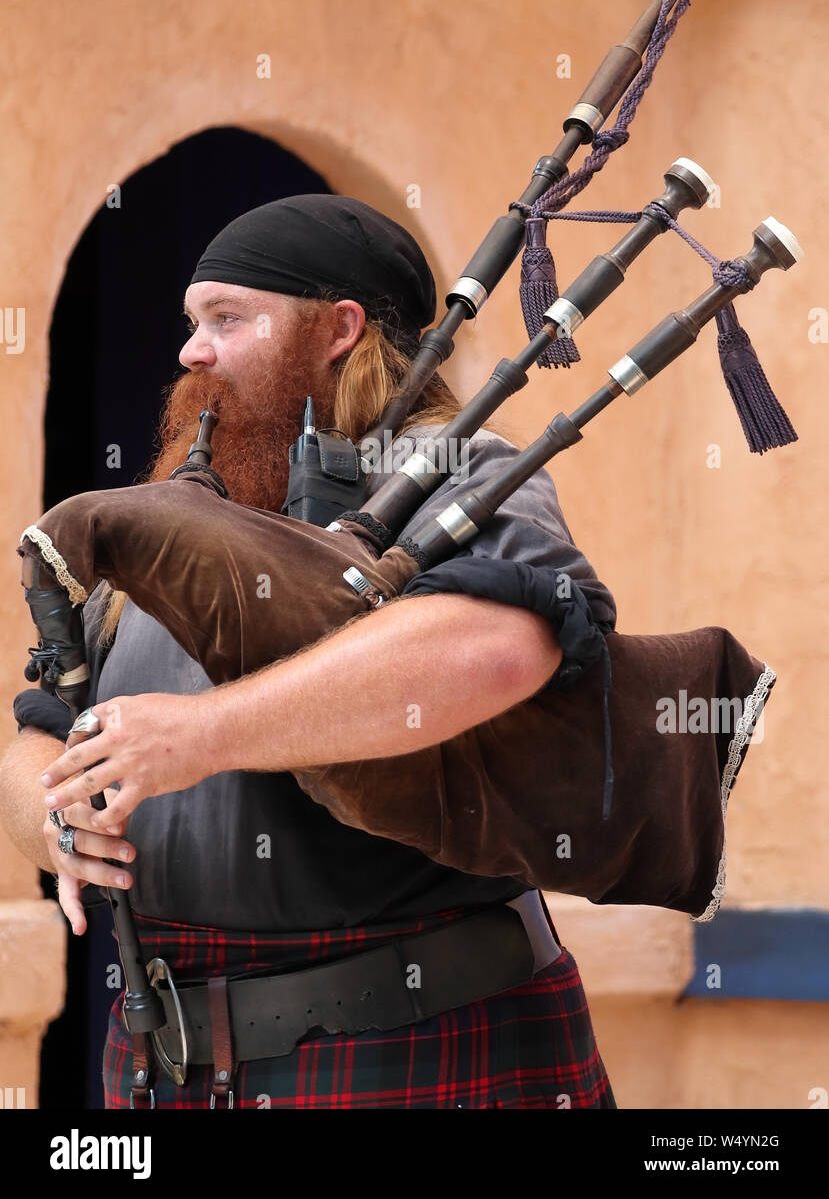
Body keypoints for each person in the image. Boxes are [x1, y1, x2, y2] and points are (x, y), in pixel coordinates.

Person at [1, 194, 618, 1109]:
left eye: (225, 318)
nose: (190, 350)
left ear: (338, 328)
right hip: (168, 1060)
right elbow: (42, 728)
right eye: (189, 322)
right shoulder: (175, 513)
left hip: (418, 1043)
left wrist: (201, 736)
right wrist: (57, 822)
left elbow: (494, 648)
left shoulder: (458, 469)